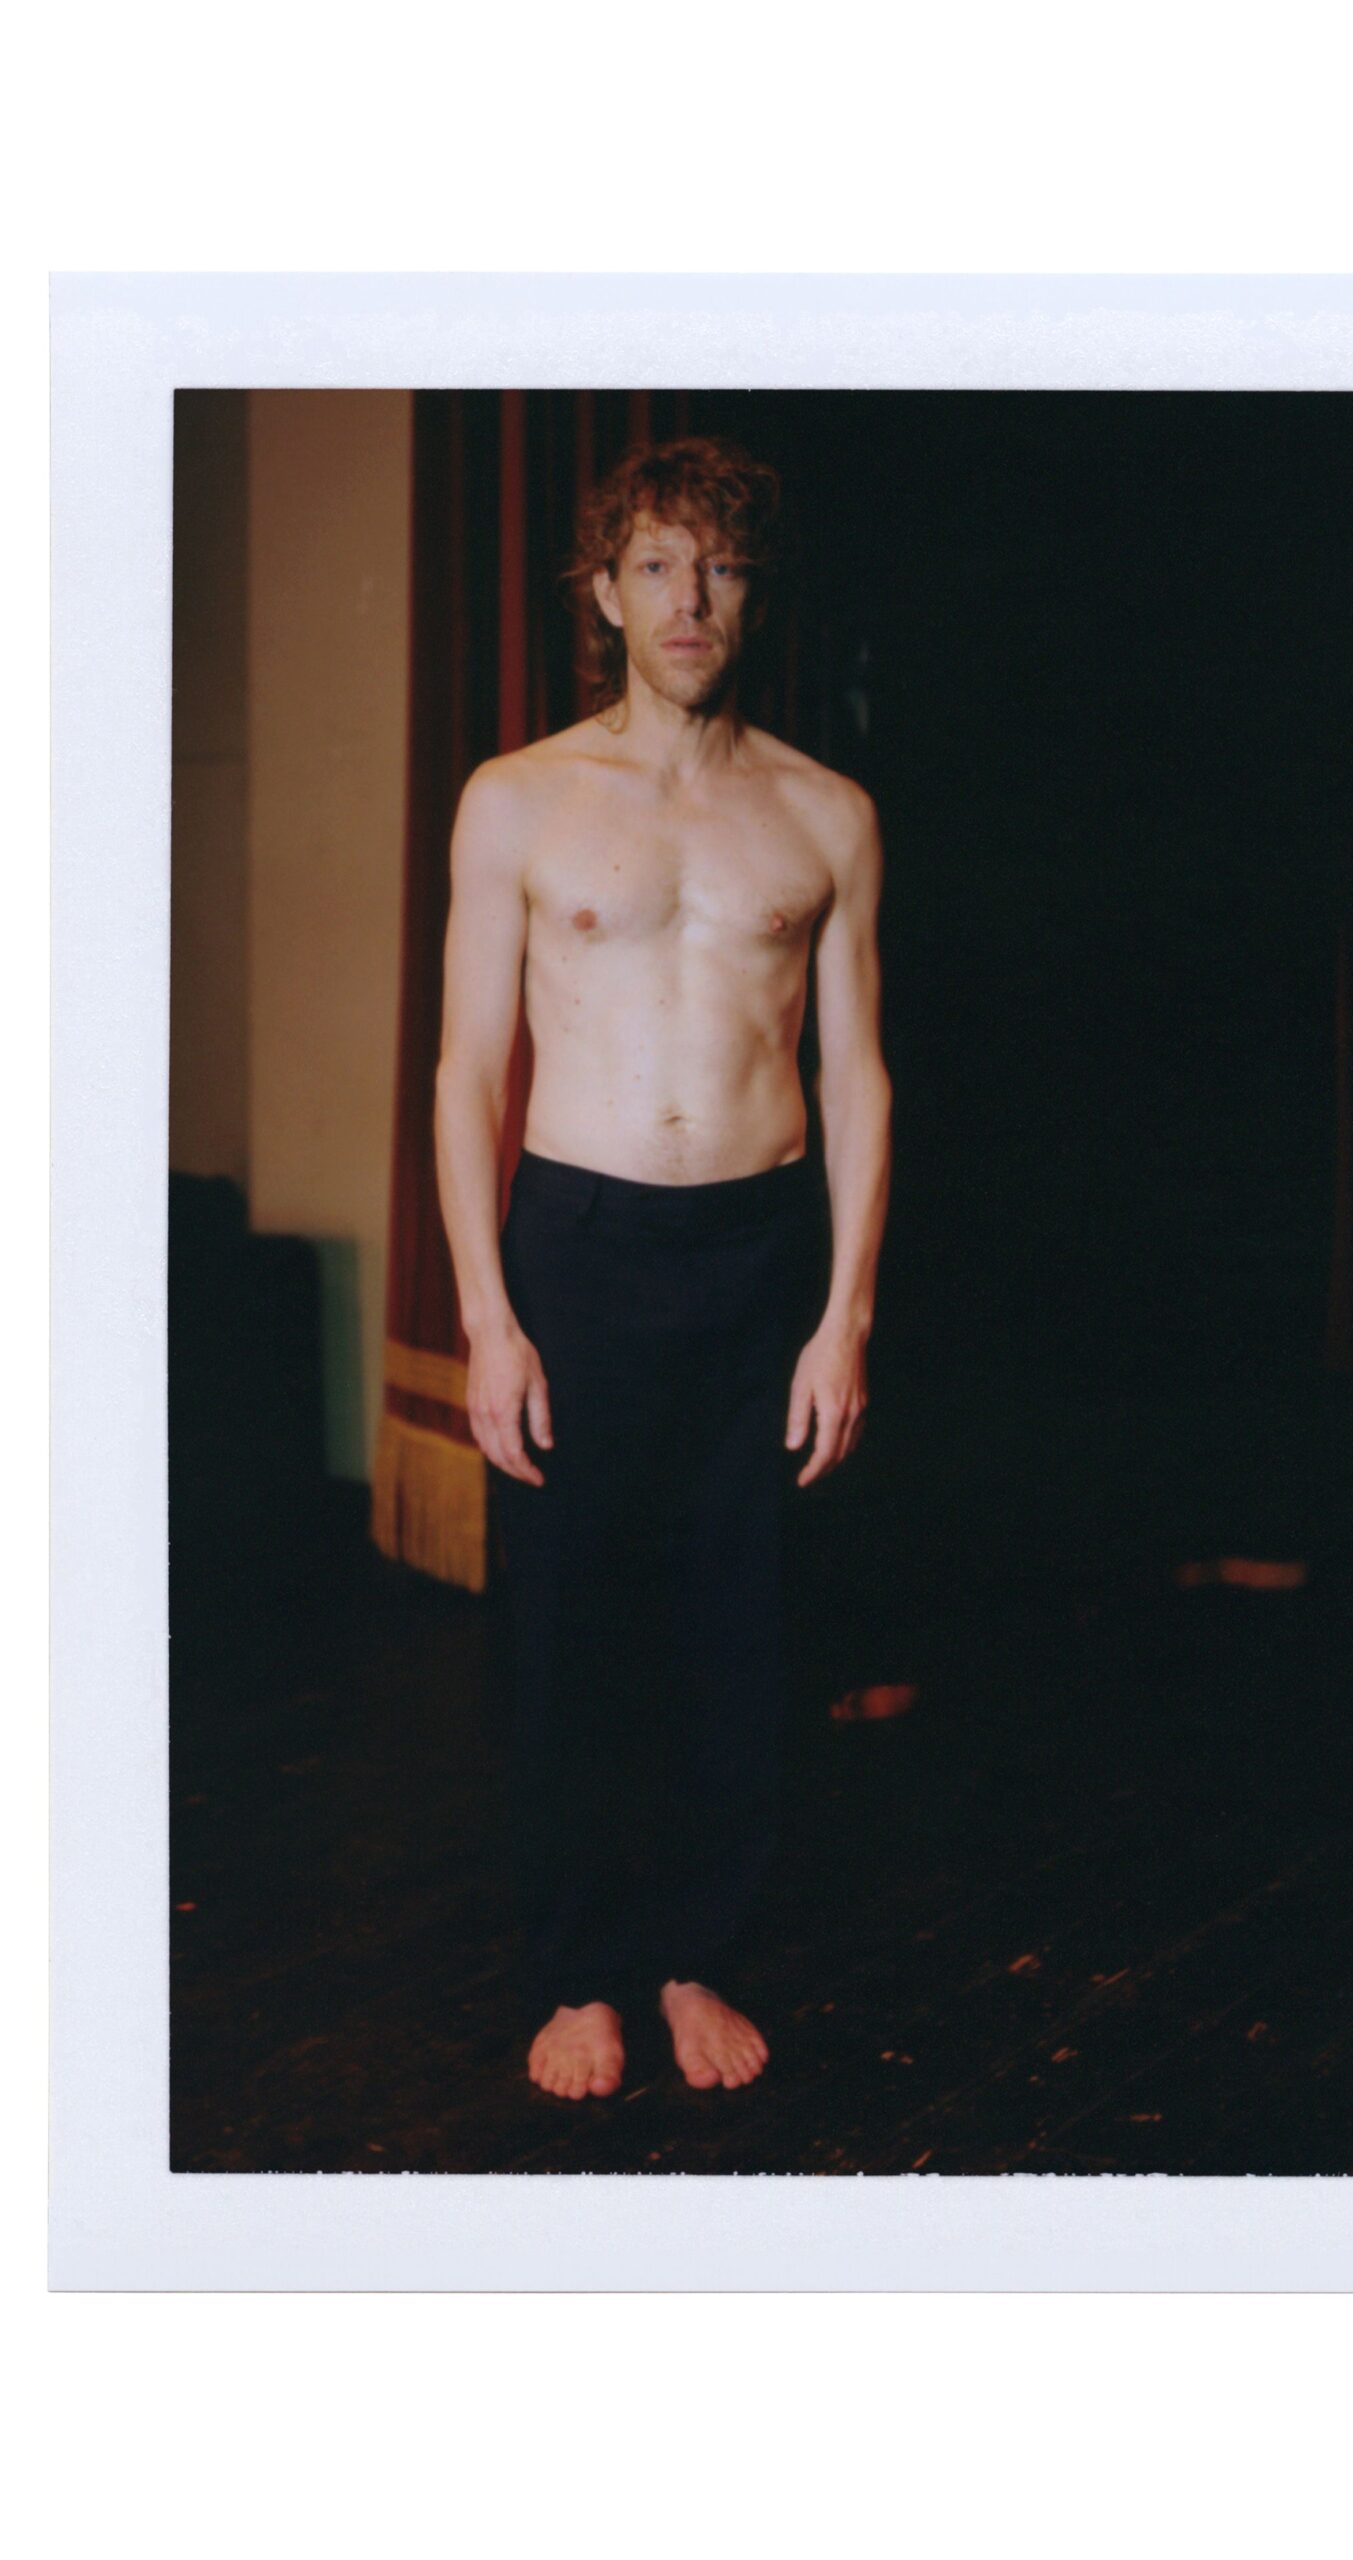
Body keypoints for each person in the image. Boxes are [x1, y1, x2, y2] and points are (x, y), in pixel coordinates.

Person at [433, 437, 892, 2101]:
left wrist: (844, 1316)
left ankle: (695, 1946)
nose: (689, 598)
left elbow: (859, 1076)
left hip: (760, 1252)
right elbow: (467, 1070)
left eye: (721, 566)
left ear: (754, 592)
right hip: (582, 1247)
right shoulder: (518, 798)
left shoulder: (827, 815)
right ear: (604, 594)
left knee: (735, 1621)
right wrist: (488, 1317)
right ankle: (577, 1970)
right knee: (572, 1627)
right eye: (655, 565)